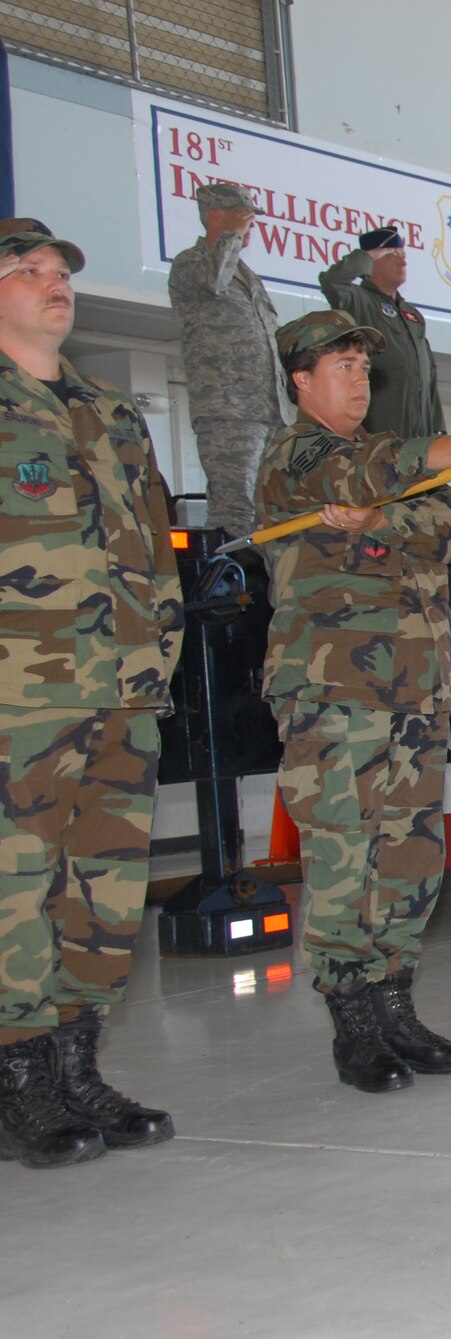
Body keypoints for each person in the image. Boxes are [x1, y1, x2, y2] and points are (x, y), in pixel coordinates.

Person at [259, 309, 451, 1091]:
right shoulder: (294, 458)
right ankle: (354, 1019)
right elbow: (371, 480)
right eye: (343, 368)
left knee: (409, 852)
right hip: (335, 688)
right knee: (345, 851)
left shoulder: (385, 464)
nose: (359, 381)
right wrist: (449, 459)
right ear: (301, 380)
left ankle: (396, 1002)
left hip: (418, 684)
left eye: (365, 369)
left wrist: (386, 519)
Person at [0, 219, 182, 1168]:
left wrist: (162, 651)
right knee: (13, 889)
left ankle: (77, 1062)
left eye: (61, 269)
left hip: (122, 688)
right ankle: (21, 1078)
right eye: (26, 271)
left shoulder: (111, 411)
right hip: (17, 699)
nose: (52, 282)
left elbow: (152, 540)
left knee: (105, 889)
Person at [166, 182, 284, 538]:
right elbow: (213, 283)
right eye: (242, 216)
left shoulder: (247, 274)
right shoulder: (191, 263)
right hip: (228, 408)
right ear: (215, 215)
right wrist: (230, 235)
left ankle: (266, 585)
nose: (249, 225)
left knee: (270, 505)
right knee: (234, 507)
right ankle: (233, 587)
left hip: (266, 408)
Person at [318, 227, 443, 438]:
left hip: (420, 433)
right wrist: (365, 256)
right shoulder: (358, 300)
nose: (402, 262)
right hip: (379, 427)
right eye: (392, 255)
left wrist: (438, 427)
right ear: (371, 261)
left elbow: (428, 371)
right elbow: (332, 282)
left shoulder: (412, 314)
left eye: (403, 256)